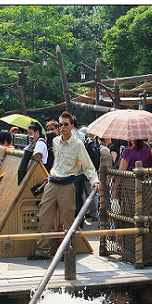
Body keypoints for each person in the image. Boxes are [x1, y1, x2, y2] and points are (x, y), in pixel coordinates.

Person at [28, 111, 101, 260]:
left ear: (72, 126)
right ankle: (42, 250)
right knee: (44, 217)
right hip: (52, 182)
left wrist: (95, 181)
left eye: (65, 124)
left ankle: (68, 251)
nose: (62, 127)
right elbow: (57, 162)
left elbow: (88, 166)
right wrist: (50, 176)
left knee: (68, 221)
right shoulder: (55, 141)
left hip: (67, 185)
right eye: (60, 124)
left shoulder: (78, 144)